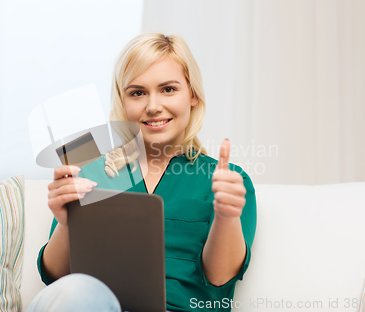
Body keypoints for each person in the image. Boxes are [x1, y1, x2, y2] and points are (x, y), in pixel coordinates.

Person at [30, 33, 257, 312]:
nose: (152, 106)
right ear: (124, 102)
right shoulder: (92, 173)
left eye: (168, 89)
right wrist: (67, 224)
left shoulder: (227, 181)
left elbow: (220, 278)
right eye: (137, 93)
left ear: (193, 95)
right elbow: (58, 281)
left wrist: (225, 216)